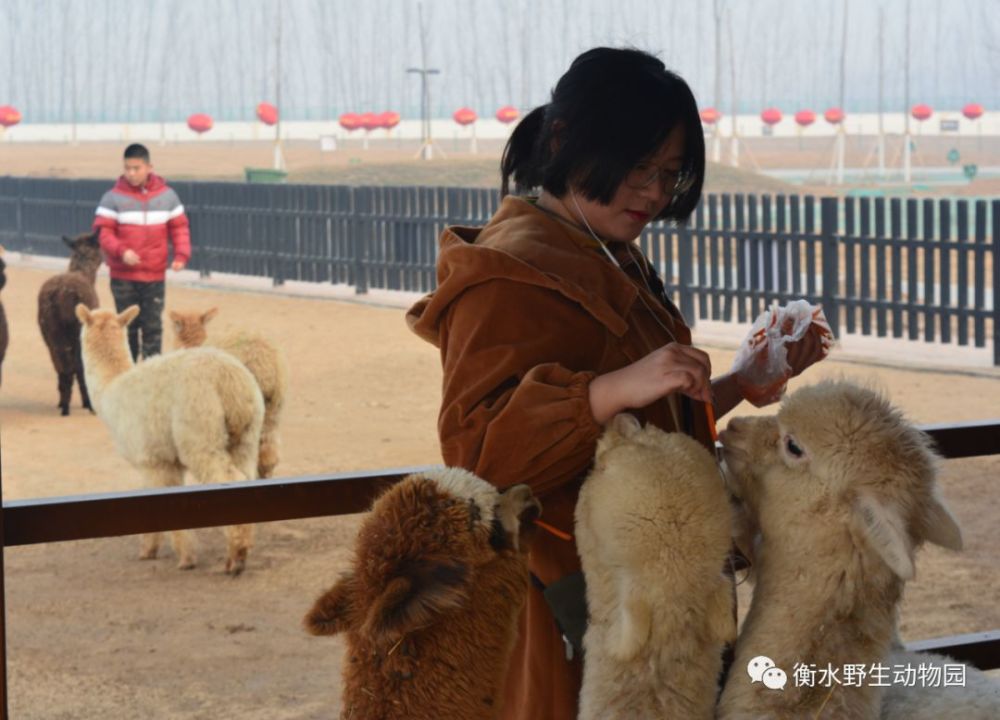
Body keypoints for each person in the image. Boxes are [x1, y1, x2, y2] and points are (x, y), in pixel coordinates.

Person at [406, 47, 827, 720]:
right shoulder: (505, 273)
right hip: (580, 609)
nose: (655, 193)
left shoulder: (605, 250)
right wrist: (606, 390)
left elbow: (640, 429)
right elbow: (479, 457)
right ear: (566, 141)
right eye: (638, 167)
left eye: (669, 172)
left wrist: (745, 381)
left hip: (666, 593)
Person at [93, 143, 191, 361]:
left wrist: (181, 255)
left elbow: (180, 227)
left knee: (153, 328)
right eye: (127, 168)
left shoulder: (168, 197)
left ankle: (150, 375)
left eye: (136, 168)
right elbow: (103, 233)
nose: (131, 173)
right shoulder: (112, 198)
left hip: (154, 276)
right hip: (123, 278)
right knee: (127, 328)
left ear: (149, 167)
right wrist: (122, 251)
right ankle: (128, 376)